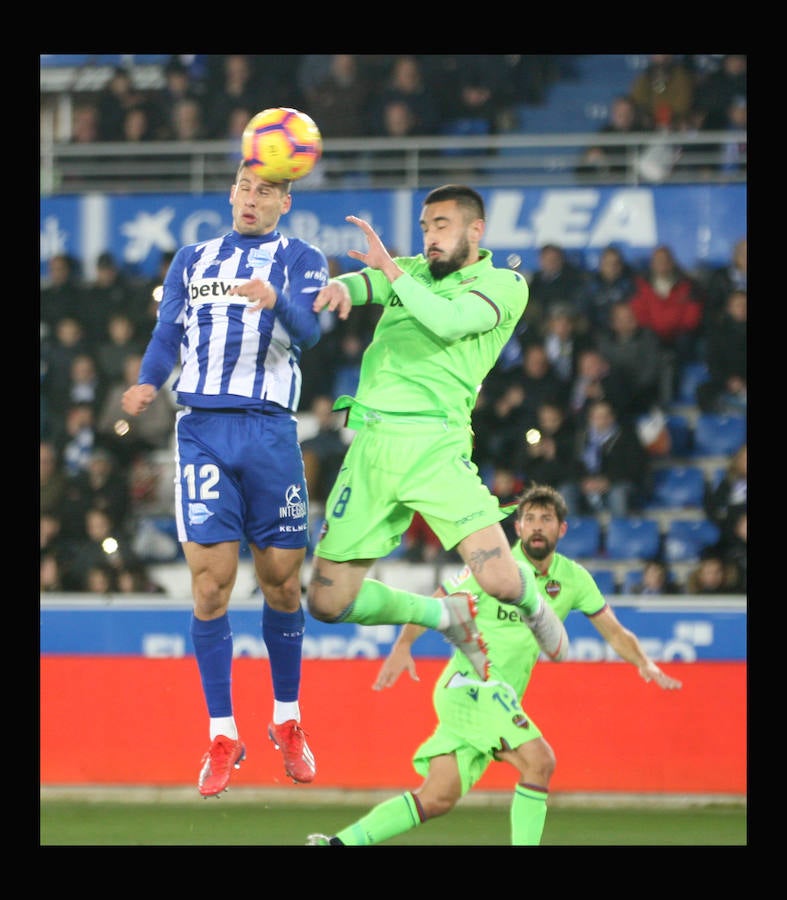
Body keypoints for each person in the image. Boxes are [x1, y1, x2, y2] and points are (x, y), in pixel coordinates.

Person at [306, 483, 682, 846]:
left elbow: (614, 632)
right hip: (470, 686)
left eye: (546, 519)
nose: (537, 526)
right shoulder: (494, 567)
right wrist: (404, 643)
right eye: (529, 518)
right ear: (517, 527)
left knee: (436, 798)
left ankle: (336, 844)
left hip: (496, 698)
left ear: (561, 528)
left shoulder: (574, 579)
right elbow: (439, 599)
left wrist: (643, 663)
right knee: (540, 762)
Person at [121, 160, 329, 797]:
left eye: (264, 190)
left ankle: (288, 721)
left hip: (270, 432)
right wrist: (148, 381)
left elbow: (313, 332)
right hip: (204, 430)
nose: (250, 198)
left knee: (282, 583)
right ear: (231, 193)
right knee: (210, 587)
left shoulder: (302, 258)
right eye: (243, 186)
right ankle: (222, 732)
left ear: (284, 202)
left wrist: (278, 301)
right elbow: (166, 334)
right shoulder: (193, 258)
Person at [306, 184, 570, 689]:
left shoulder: (505, 283)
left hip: (435, 445)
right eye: (426, 227)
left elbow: (449, 322)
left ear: (476, 230)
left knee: (498, 580)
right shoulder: (414, 270)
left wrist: (390, 272)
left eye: (442, 226)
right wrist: (345, 287)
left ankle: (534, 605)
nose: (430, 237)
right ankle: (444, 614)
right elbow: (368, 284)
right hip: (371, 447)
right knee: (326, 602)